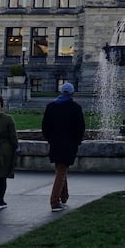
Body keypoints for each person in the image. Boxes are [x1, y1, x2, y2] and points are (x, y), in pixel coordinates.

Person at [40, 81, 86, 213]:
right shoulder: (75, 107)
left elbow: (45, 126)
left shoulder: (51, 106)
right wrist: (77, 141)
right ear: (72, 93)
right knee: (61, 170)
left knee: (61, 169)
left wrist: (50, 139)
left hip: (55, 142)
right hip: (69, 143)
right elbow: (80, 128)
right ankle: (55, 201)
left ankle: (64, 197)